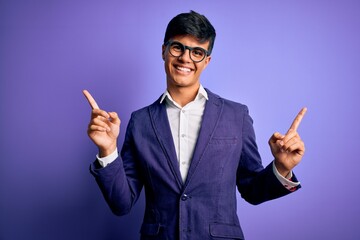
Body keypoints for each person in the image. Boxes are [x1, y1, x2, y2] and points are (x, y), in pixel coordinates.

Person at [83, 10, 307, 240]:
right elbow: (122, 204)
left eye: (197, 52)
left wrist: (281, 168)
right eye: (178, 47)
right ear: (164, 50)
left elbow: (252, 190)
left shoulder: (236, 115)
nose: (185, 58)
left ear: (207, 60)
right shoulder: (140, 122)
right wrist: (108, 151)